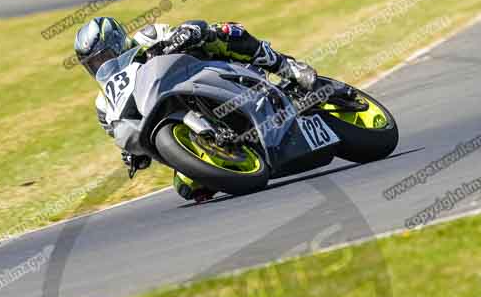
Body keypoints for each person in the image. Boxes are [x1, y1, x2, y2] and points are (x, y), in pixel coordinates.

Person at [74, 16, 318, 201]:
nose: (101, 65)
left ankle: (286, 65)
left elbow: (193, 27)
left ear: (117, 43)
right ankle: (234, 156)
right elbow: (129, 132)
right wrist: (133, 154)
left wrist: (184, 34)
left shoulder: (146, 37)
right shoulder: (104, 105)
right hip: (178, 117)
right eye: (93, 63)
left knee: (220, 33)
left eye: (103, 56)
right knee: (187, 188)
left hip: (212, 73)